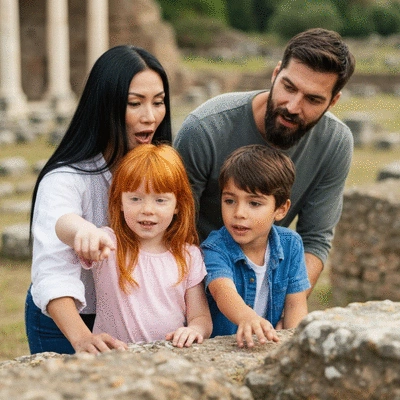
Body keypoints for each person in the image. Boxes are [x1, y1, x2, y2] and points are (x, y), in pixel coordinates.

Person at [174, 28, 356, 296]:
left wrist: (284, 306)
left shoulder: (335, 143)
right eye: (288, 87)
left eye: (313, 99)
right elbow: (175, 231)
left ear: (333, 101)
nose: (293, 106)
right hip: (194, 284)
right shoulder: (205, 129)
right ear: (275, 73)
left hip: (266, 290)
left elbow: (315, 240)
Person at [25, 45, 172, 355]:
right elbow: (52, 272)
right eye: (135, 103)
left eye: (158, 102)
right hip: (65, 318)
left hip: (128, 316)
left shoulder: (160, 169)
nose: (150, 117)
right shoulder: (64, 180)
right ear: (105, 105)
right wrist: (82, 338)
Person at [56, 144, 212, 348]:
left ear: (178, 205)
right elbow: (62, 226)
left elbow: (201, 316)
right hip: (113, 360)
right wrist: (84, 230)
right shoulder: (108, 244)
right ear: (119, 201)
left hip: (168, 361)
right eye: (135, 199)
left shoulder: (189, 255)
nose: (147, 209)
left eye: (160, 200)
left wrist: (193, 330)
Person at [201, 144, 310, 347]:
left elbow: (296, 304)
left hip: (268, 346)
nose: (239, 213)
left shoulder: (291, 244)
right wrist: (246, 317)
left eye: (254, 203)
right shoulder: (215, 248)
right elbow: (222, 291)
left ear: (281, 209)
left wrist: (294, 344)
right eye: (230, 200)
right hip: (224, 350)